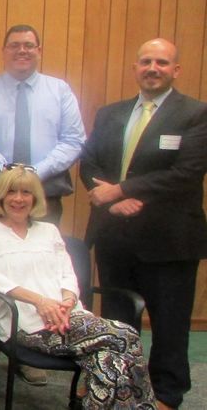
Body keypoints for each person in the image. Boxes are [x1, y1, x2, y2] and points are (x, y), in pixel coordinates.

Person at [79, 38, 207, 410]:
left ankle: (167, 393)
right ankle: (114, 379)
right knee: (116, 318)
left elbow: (187, 173)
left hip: (168, 239)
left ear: (176, 70)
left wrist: (120, 191)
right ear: (136, 67)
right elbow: (88, 164)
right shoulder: (110, 113)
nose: (153, 68)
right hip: (114, 235)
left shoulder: (195, 114)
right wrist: (110, 201)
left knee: (169, 321)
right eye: (146, 61)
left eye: (162, 62)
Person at [0, 165, 156, 409]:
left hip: (67, 317)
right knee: (126, 336)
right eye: (11, 192)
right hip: (25, 324)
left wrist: (67, 303)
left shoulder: (49, 231)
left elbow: (67, 273)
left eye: (26, 192)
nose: (18, 199)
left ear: (35, 197)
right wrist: (41, 302)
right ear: (0, 196)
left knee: (104, 358)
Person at [0, 24, 85, 226]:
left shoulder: (60, 91)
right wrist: (7, 171)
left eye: (28, 45)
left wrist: (36, 172)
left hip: (44, 192)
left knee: (42, 254)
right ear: (4, 52)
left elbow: (73, 140)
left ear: (39, 51)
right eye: (14, 45)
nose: (22, 50)